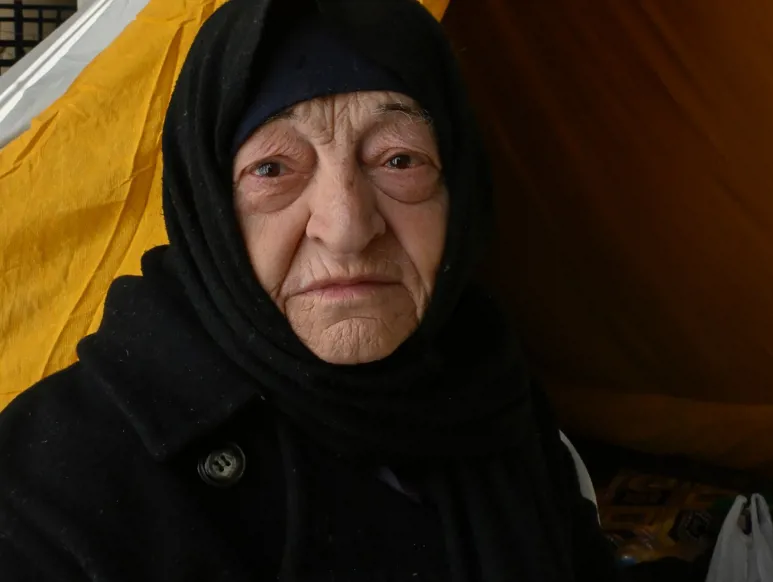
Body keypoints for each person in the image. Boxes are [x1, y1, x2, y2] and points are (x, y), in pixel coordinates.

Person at [0, 0, 620, 580]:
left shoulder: (491, 391)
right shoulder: (50, 490)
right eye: (272, 169)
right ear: (209, 208)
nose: (348, 229)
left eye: (399, 160)